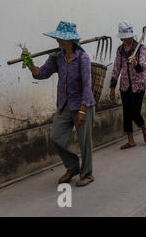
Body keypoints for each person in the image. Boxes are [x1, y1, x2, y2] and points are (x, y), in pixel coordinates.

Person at [22, 21, 96, 187]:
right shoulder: (57, 57)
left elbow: (87, 85)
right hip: (64, 104)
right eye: (58, 38)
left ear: (71, 40)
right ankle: (72, 167)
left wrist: (83, 110)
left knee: (85, 143)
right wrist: (28, 62)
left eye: (62, 39)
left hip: (82, 105)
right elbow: (41, 73)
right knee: (56, 137)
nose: (58, 41)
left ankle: (87, 174)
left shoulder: (82, 58)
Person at [110, 21, 146, 149]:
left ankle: (144, 128)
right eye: (123, 37)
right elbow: (116, 68)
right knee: (126, 113)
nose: (125, 39)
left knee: (134, 111)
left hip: (138, 85)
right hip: (125, 85)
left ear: (131, 36)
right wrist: (112, 87)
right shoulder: (120, 50)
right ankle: (131, 140)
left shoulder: (140, 48)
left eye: (127, 37)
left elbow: (143, 67)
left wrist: (135, 63)